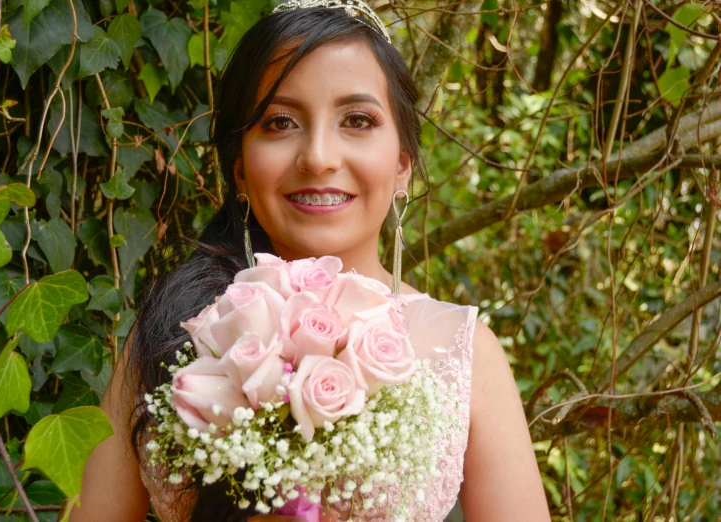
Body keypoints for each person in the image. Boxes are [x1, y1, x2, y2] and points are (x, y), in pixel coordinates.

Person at [72, 2, 551, 521]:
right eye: (280, 122)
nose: (318, 156)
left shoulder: (464, 352)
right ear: (239, 170)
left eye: (358, 120)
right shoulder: (172, 332)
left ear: (402, 168)